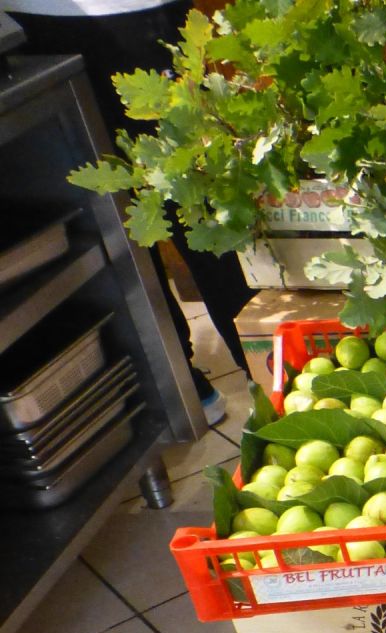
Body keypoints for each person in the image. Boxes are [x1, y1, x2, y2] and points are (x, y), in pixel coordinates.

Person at [3, 0, 254, 425]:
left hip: (118, 13)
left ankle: (260, 363)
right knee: (116, 211)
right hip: (31, 22)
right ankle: (188, 376)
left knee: (190, 195)